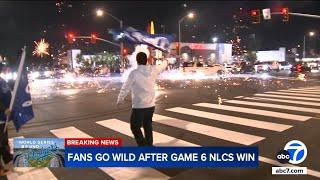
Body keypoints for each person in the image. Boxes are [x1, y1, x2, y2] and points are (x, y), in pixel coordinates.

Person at [117, 50, 168, 146]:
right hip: (150, 106)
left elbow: (125, 87)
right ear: (147, 60)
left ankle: (143, 146)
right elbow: (162, 66)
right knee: (147, 126)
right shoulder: (153, 70)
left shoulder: (134, 73)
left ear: (137, 61)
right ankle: (149, 145)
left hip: (139, 106)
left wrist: (120, 99)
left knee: (135, 127)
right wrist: (165, 59)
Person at [0, 63, 13, 176]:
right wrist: (4, 109)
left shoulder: (2, 80)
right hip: (1, 115)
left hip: (3, 118)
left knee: (4, 140)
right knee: (1, 143)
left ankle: (8, 159)